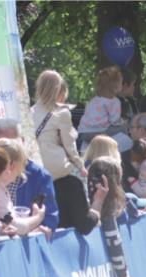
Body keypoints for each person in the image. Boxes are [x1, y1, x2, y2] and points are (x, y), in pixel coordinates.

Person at [33, 70, 97, 232]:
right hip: (57, 169)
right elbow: (69, 145)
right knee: (75, 187)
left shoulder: (29, 112)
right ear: (59, 90)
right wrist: (80, 165)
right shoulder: (62, 113)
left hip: (36, 168)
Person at [0, 118, 60, 231]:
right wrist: (37, 218)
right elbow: (13, 226)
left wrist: (39, 228)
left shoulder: (39, 176)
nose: (8, 153)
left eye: (13, 146)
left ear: (22, 142)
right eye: (3, 147)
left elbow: (50, 218)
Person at [0, 139, 46, 236]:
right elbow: (16, 226)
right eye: (21, 168)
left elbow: (9, 223)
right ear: (11, 165)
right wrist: (38, 217)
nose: (19, 175)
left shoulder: (0, 188)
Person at [77, 66, 125, 148]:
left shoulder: (94, 99)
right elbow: (115, 121)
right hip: (98, 132)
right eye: (121, 83)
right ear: (115, 85)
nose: (122, 85)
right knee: (123, 128)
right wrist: (123, 122)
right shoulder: (114, 101)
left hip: (83, 132)